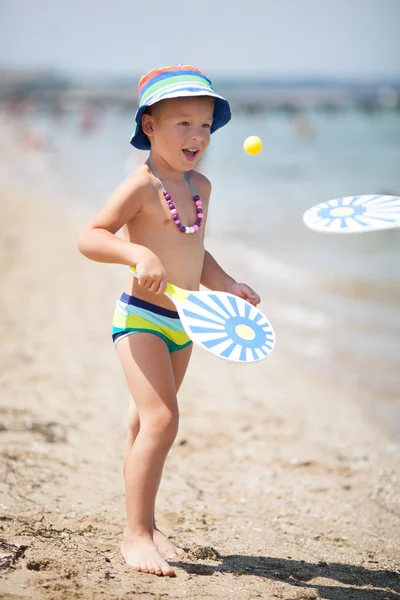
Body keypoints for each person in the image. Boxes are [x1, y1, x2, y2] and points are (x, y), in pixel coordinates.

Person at [77, 65, 261, 577]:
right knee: (161, 420)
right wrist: (135, 254)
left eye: (204, 125)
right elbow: (91, 236)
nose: (197, 136)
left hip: (187, 323)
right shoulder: (141, 185)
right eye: (182, 123)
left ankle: (149, 524)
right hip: (141, 318)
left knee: (144, 423)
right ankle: (134, 536)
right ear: (150, 126)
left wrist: (227, 285)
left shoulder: (200, 186)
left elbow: (194, 251)